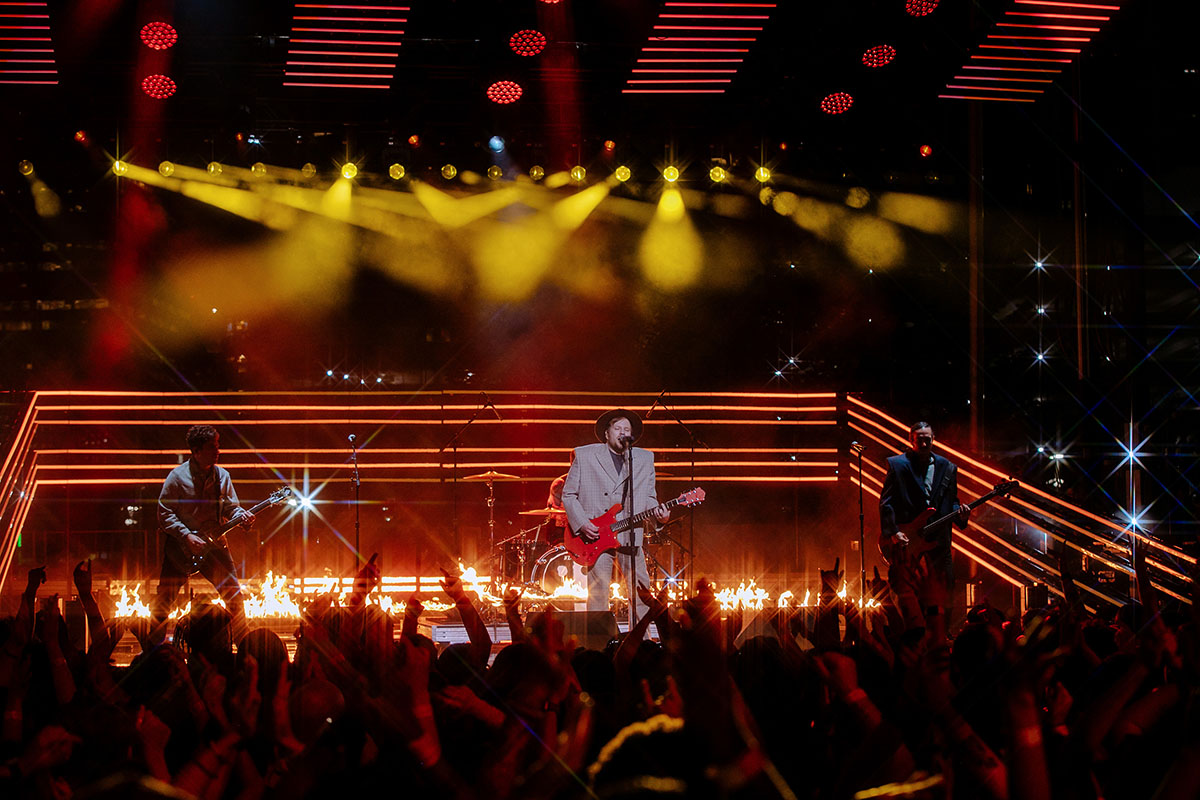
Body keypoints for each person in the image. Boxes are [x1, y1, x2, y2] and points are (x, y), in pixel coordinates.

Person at [562, 409, 669, 622]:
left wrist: (660, 515)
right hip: (597, 535)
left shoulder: (644, 458)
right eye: (617, 428)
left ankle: (641, 637)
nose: (622, 432)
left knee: (641, 592)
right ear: (606, 433)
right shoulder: (584, 455)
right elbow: (568, 494)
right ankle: (599, 639)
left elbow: (649, 496)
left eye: (626, 429)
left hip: (630, 534)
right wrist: (582, 523)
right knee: (598, 592)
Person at [153, 425, 254, 640]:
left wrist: (242, 516)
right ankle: (152, 648)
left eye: (217, 445)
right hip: (180, 548)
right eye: (212, 447)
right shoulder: (177, 477)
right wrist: (186, 535)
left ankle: (244, 645)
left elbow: (230, 507)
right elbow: (164, 512)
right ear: (196, 451)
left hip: (214, 545)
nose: (218, 451)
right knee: (164, 600)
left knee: (233, 596)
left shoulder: (222, 476)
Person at [878, 421, 969, 588]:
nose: (924, 444)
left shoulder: (947, 467)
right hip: (908, 538)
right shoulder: (898, 465)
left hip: (938, 538)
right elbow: (886, 502)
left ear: (933, 439)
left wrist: (961, 516)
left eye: (927, 439)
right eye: (919, 440)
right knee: (905, 586)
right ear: (911, 440)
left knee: (945, 587)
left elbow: (951, 501)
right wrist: (894, 532)